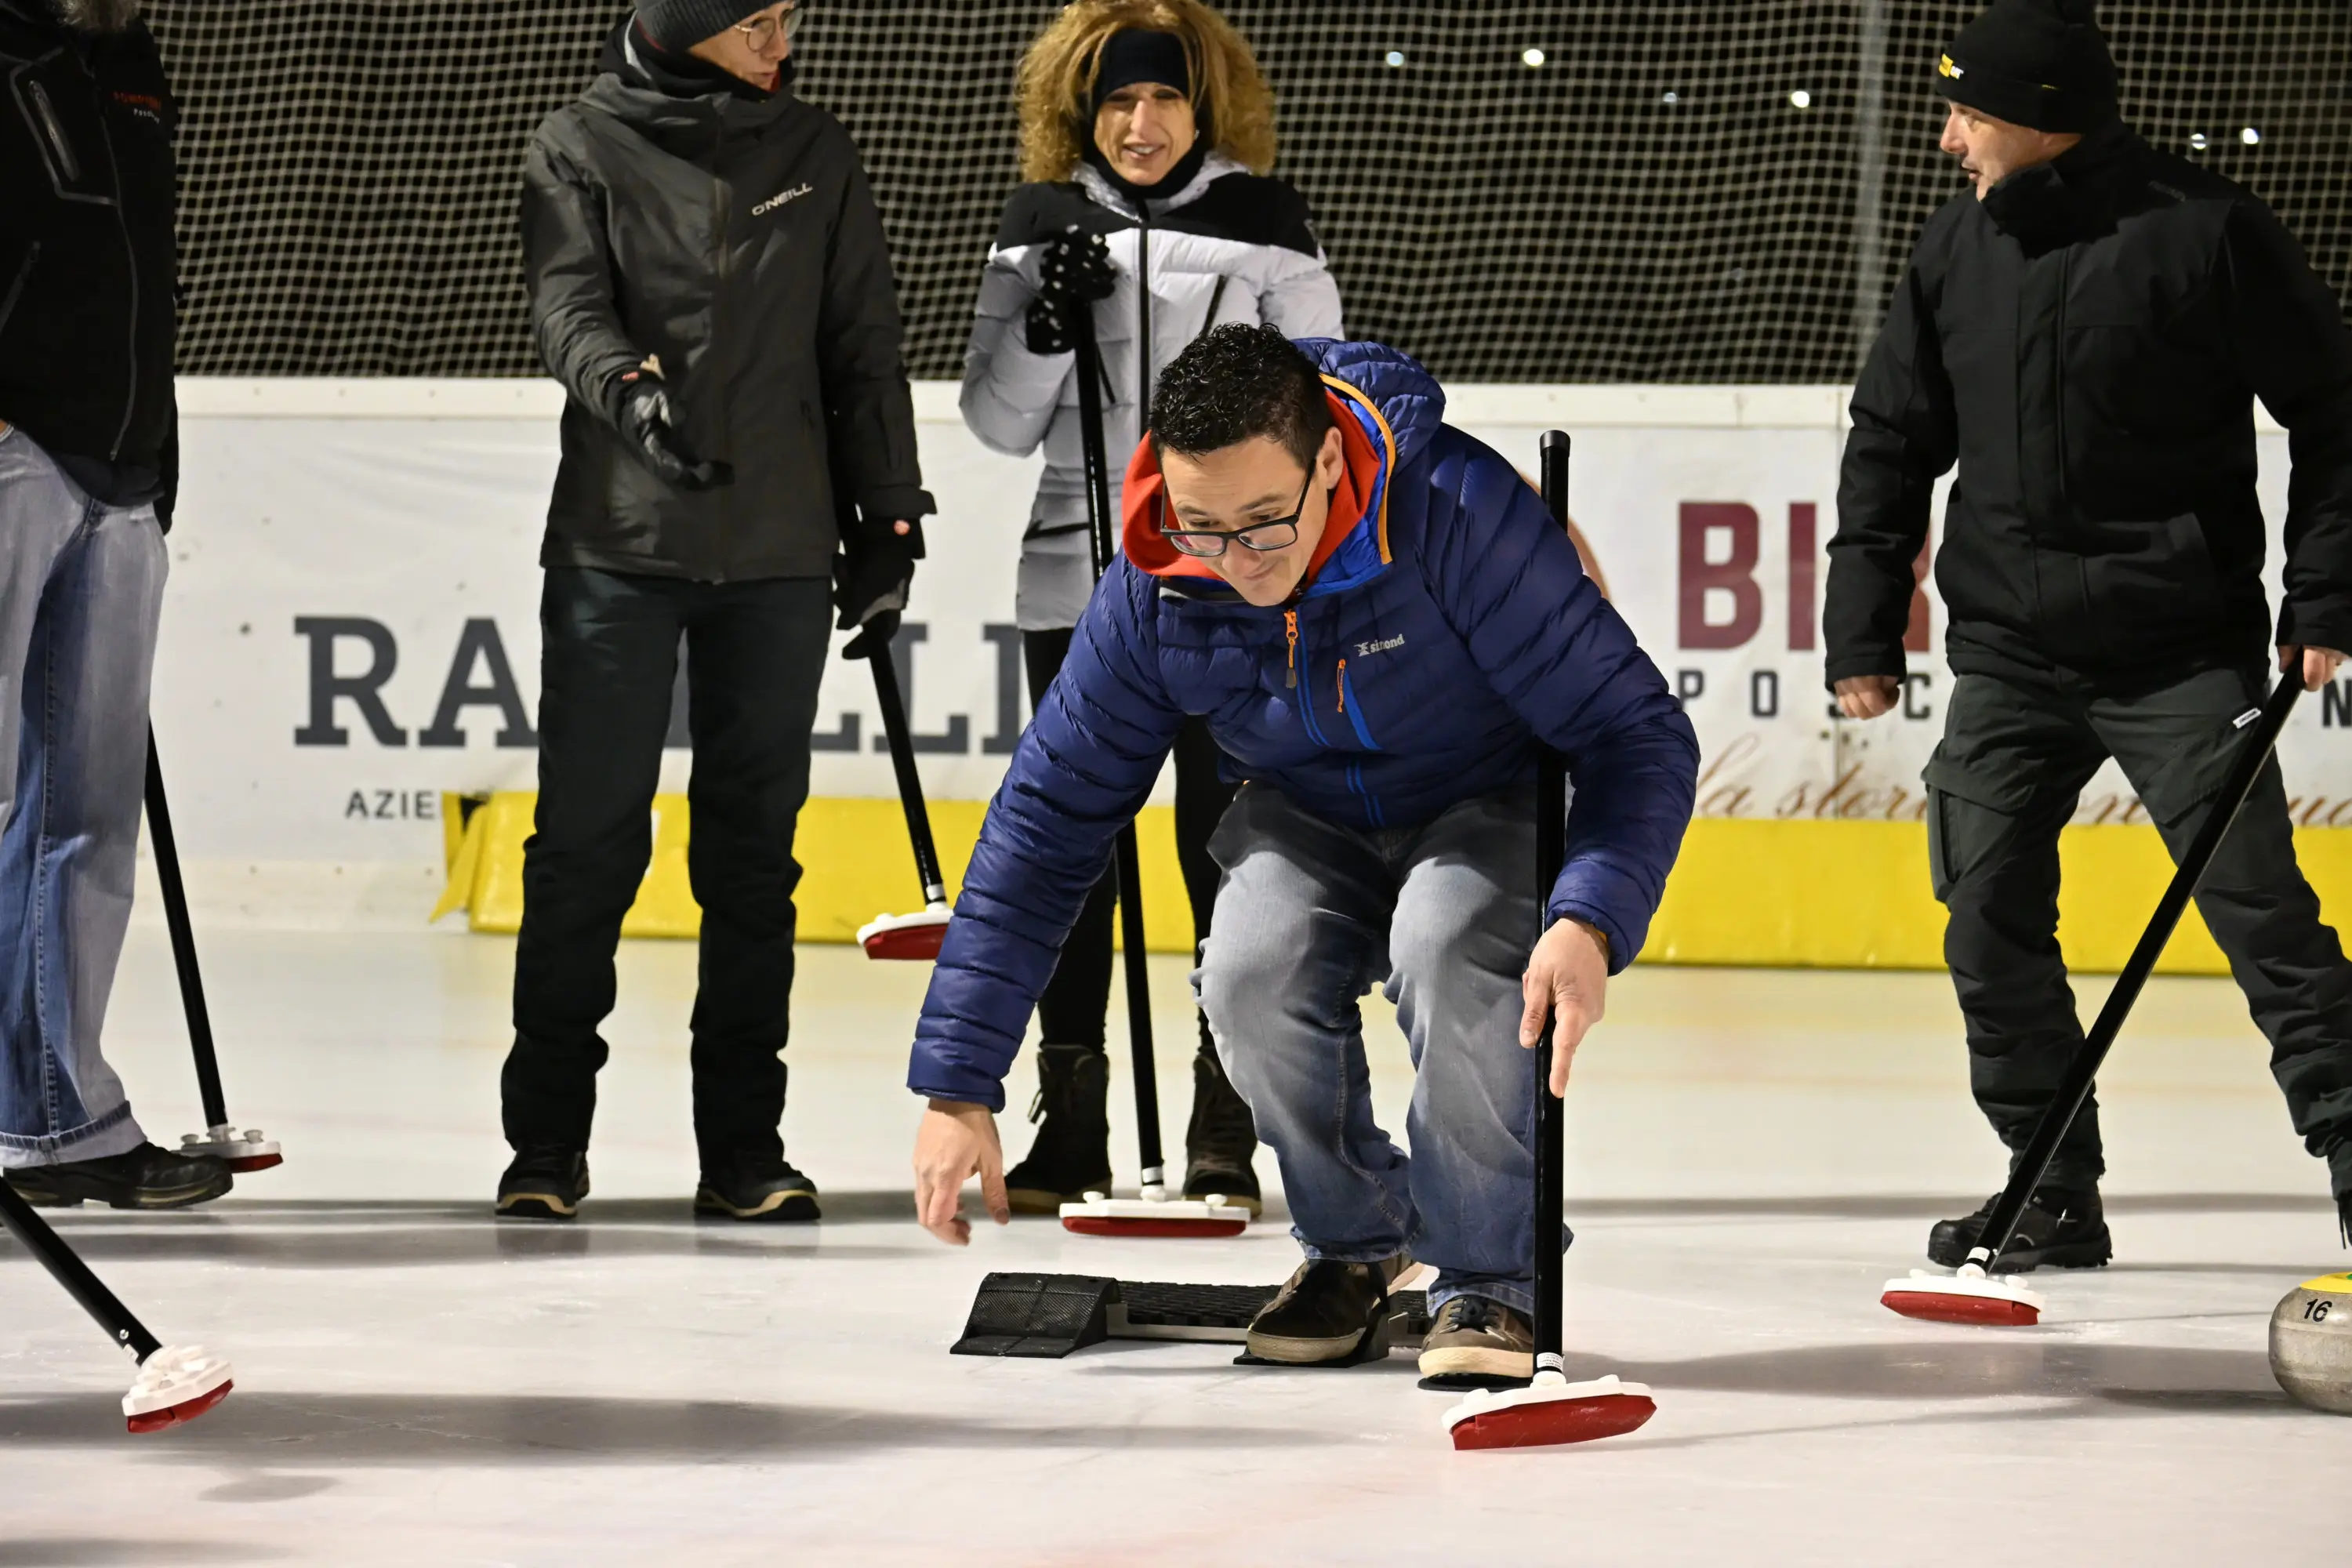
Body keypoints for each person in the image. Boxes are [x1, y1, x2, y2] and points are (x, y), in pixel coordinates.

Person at [912, 325, 1697, 1380]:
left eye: (1264, 522)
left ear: (1328, 461)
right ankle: (1357, 1243)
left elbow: (1636, 732)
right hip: (1307, 809)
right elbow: (1046, 820)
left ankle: (1488, 1278)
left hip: (1489, 798)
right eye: (1205, 527)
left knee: (1449, 940)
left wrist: (1588, 913)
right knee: (1245, 969)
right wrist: (959, 1087)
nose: (1236, 561)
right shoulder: (1157, 579)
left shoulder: (1456, 516)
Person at [1827, 0, 2352, 1265]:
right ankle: (2051, 1187)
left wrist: (2322, 597)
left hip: (2180, 651)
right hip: (2009, 650)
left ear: (2041, 122)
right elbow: (1893, 438)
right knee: (1987, 909)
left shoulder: (2205, 232)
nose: (1948, 139)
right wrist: (1862, 629)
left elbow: (2336, 412)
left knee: (2263, 921)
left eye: (1967, 115)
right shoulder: (1956, 249)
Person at [500, 0, 931, 1221]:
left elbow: (860, 342)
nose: (782, 42)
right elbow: (568, 307)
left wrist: (888, 513)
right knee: (586, 847)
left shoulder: (814, 150)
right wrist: (629, 392)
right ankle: (546, 1146)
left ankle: (744, 1146)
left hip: (781, 553)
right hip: (618, 545)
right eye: (760, 21)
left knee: (752, 857)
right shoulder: (577, 144)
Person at [960, 0, 1344, 1218]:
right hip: (1078, 578)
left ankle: (1223, 1117)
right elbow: (997, 420)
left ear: (1201, 103)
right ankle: (1070, 1115)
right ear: (1084, 107)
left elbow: (1324, 402)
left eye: (1163, 99)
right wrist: (1039, 327)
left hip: (1228, 580)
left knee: (1218, 840)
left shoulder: (1260, 222)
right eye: (1119, 102)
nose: (1140, 123)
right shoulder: (1041, 223)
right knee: (1073, 842)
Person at [0, 0, 234, 1210]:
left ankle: (56, 1122)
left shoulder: (133, 67)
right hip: (15, 453)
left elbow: (152, 279)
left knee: (86, 821)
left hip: (122, 475)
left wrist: (162, 455)